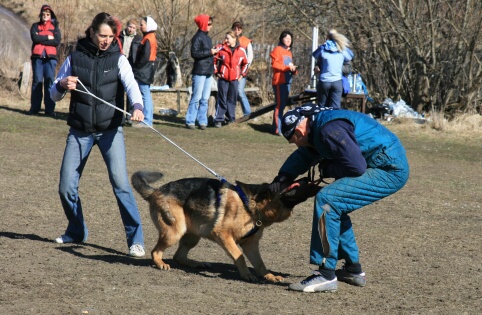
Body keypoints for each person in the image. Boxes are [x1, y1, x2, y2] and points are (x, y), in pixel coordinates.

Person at [270, 104, 409, 292]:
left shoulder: (328, 130)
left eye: (293, 140)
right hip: (382, 162)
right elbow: (305, 154)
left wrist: (327, 169)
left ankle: (326, 274)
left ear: (299, 133)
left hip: (389, 169)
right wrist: (283, 178)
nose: (295, 144)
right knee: (337, 204)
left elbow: (356, 167)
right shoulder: (316, 127)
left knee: (328, 201)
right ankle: (352, 269)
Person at [49, 12, 146, 257]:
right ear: (91, 32)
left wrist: (137, 106)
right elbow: (53, 94)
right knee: (66, 187)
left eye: (111, 36)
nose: (106, 40)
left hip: (109, 131)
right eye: (102, 35)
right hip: (80, 131)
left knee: (121, 185)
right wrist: (62, 86)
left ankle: (136, 239)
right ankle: (76, 230)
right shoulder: (75, 56)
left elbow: (132, 85)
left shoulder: (118, 59)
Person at [185, 15, 219, 130]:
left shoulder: (208, 38)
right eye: (209, 24)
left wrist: (212, 52)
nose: (211, 26)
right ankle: (190, 120)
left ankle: (202, 121)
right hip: (199, 71)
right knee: (197, 97)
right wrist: (209, 52)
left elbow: (205, 53)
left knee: (205, 98)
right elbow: (195, 54)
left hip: (208, 71)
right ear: (204, 24)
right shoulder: (197, 37)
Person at [27, 4, 61, 117]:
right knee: (37, 81)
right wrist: (47, 37)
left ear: (51, 16)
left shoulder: (55, 28)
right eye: (43, 14)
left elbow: (56, 41)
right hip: (38, 57)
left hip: (50, 58)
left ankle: (50, 110)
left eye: (47, 14)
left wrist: (41, 38)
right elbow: (34, 38)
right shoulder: (35, 26)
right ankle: (34, 108)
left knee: (49, 82)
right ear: (40, 15)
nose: (45, 16)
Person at [213, 31, 249, 128]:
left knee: (232, 99)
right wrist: (216, 72)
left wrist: (242, 74)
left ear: (234, 39)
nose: (226, 40)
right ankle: (219, 119)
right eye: (226, 38)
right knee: (222, 98)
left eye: (228, 38)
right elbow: (214, 60)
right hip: (223, 78)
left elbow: (246, 63)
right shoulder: (221, 48)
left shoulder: (241, 50)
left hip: (234, 79)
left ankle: (230, 118)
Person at [312, 29, 354, 109]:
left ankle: (322, 120)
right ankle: (334, 120)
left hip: (324, 81)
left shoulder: (323, 48)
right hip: (337, 82)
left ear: (327, 37)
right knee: (335, 108)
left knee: (322, 107)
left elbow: (315, 55)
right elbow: (351, 56)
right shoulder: (342, 49)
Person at [131, 16, 157, 127]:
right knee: (145, 93)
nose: (140, 26)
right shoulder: (149, 37)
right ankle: (146, 119)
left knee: (144, 94)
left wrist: (136, 67)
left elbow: (145, 56)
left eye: (142, 24)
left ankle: (147, 120)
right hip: (146, 68)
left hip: (144, 69)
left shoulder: (148, 38)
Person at [270, 30, 297, 136]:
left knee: (283, 104)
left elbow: (290, 65)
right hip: (279, 81)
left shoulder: (289, 52)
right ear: (282, 39)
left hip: (288, 81)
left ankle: (276, 126)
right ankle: (278, 129)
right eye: (286, 38)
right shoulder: (277, 50)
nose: (288, 40)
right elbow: (275, 65)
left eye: (290, 39)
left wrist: (294, 69)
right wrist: (287, 68)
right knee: (280, 105)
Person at [119, 19, 142, 124]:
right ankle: (119, 114)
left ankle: (129, 114)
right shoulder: (119, 36)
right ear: (126, 26)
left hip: (131, 64)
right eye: (130, 27)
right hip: (120, 61)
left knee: (130, 91)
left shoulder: (138, 39)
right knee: (118, 91)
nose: (131, 29)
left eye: (133, 28)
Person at [231, 21, 254, 117]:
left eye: (239, 29)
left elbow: (250, 56)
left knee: (240, 91)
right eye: (235, 28)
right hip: (231, 71)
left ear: (242, 30)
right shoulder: (229, 39)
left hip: (241, 71)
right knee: (231, 91)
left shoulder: (245, 41)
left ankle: (248, 113)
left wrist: (245, 69)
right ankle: (230, 113)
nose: (237, 31)